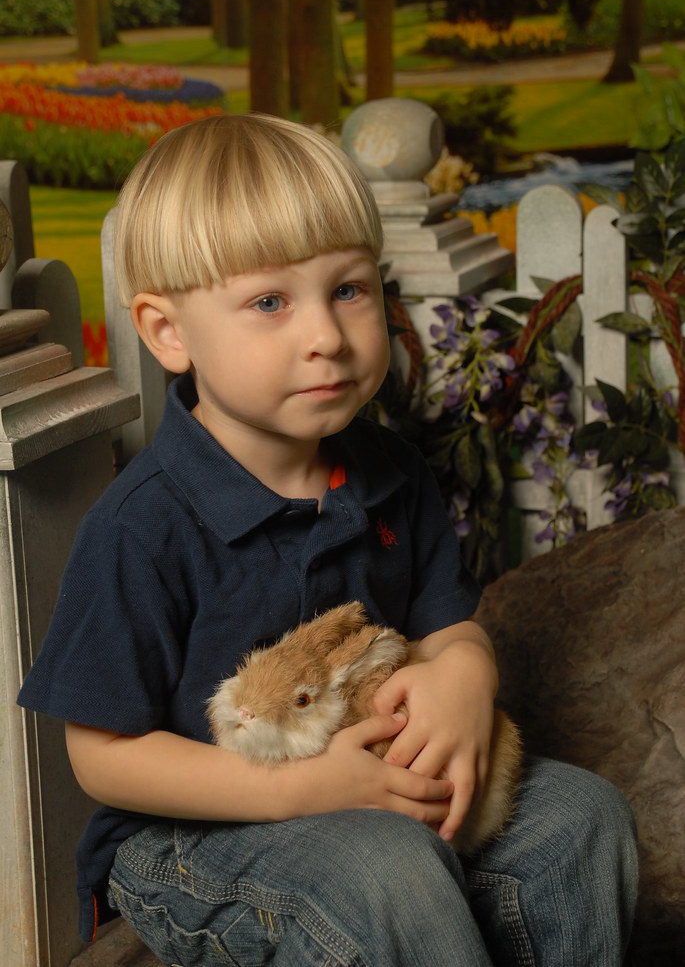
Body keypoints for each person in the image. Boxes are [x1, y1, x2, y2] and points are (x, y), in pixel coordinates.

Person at [18, 114, 638, 967]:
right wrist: (296, 789)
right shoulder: (142, 524)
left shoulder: (389, 469)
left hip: (366, 780)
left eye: (348, 288)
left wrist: (463, 674)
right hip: (194, 834)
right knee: (392, 868)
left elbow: (445, 622)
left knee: (582, 819)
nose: (327, 334)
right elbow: (103, 757)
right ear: (168, 333)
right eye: (269, 301)